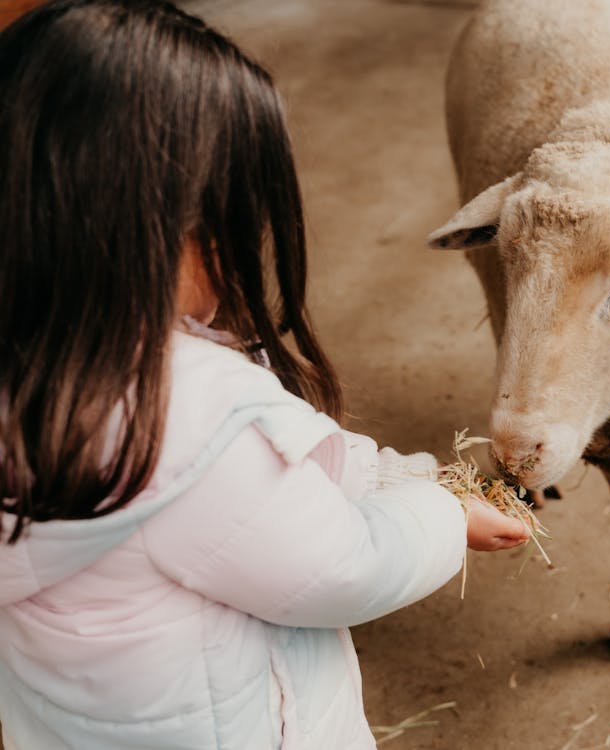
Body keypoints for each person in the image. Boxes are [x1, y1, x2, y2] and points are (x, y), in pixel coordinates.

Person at [0, 2, 529, 748]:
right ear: (160, 231)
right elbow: (346, 563)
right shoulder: (180, 421)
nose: (242, 242)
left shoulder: (38, 363)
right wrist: (446, 515)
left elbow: (281, 488)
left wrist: (400, 474)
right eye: (232, 219)